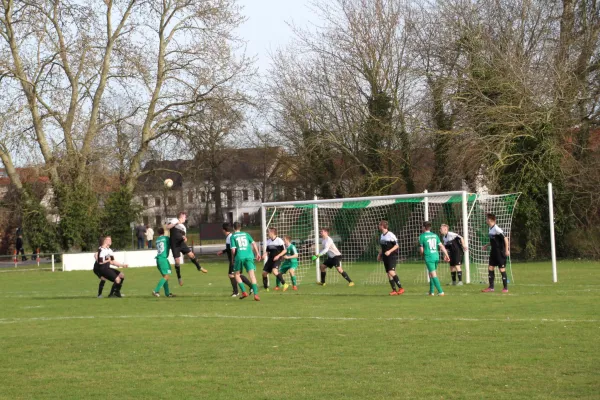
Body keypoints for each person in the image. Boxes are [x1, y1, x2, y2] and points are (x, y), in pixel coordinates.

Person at [165, 212, 207, 286]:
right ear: (181, 216)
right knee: (177, 261)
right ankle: (179, 278)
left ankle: (199, 267)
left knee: (191, 255)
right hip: (174, 245)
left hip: (181, 243)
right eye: (185, 217)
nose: (185, 218)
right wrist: (176, 223)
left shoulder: (184, 227)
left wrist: (185, 238)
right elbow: (167, 227)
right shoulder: (174, 220)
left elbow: (184, 238)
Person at [217, 222, 254, 297]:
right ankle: (248, 288)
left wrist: (233, 259)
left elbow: (234, 249)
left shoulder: (230, 237)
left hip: (235, 259)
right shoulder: (230, 236)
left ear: (223, 230)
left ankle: (237, 291)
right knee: (236, 274)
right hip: (235, 259)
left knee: (232, 275)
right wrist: (223, 251)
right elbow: (229, 248)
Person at [230, 222, 261, 301]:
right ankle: (256, 294)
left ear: (233, 228)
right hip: (249, 256)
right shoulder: (246, 234)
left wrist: (233, 259)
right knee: (252, 275)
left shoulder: (233, 236)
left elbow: (233, 250)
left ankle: (244, 292)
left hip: (240, 256)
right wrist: (257, 253)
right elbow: (254, 244)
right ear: (240, 227)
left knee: (237, 275)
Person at [419, 221, 450, 296]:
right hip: (436, 256)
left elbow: (421, 250)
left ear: (423, 227)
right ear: (430, 227)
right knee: (431, 273)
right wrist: (447, 255)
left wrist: (421, 255)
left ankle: (440, 291)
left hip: (429, 257)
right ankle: (431, 292)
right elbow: (441, 246)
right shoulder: (435, 235)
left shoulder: (422, 236)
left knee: (433, 274)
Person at [482, 213, 510, 293]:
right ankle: (491, 287)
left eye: (487, 218)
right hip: (493, 251)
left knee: (502, 269)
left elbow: (505, 239)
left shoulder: (497, 229)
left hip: (499, 252)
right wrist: (486, 245)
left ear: (490, 220)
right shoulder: (490, 228)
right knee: (490, 267)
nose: (486, 220)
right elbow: (494, 241)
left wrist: (507, 250)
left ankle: (505, 288)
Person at [377, 220, 404, 296]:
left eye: (379, 225)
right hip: (385, 257)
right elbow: (383, 247)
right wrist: (379, 255)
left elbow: (397, 245)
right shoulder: (382, 235)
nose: (378, 226)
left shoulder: (390, 235)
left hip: (391, 256)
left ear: (382, 226)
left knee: (391, 272)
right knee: (388, 274)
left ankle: (401, 288)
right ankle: (394, 290)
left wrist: (389, 251)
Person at [262, 227, 288, 291]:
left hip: (277, 259)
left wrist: (278, 256)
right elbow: (268, 251)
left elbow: (285, 251)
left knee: (274, 271)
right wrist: (264, 254)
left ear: (272, 233)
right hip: (270, 259)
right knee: (264, 273)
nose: (268, 233)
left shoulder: (279, 240)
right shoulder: (268, 241)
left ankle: (285, 284)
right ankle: (266, 288)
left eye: (269, 232)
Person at [152, 228, 175, 297]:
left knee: (165, 277)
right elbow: (172, 241)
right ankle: (156, 290)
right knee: (166, 276)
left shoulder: (157, 240)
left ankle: (167, 293)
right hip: (163, 259)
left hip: (158, 259)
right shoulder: (166, 238)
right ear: (164, 232)